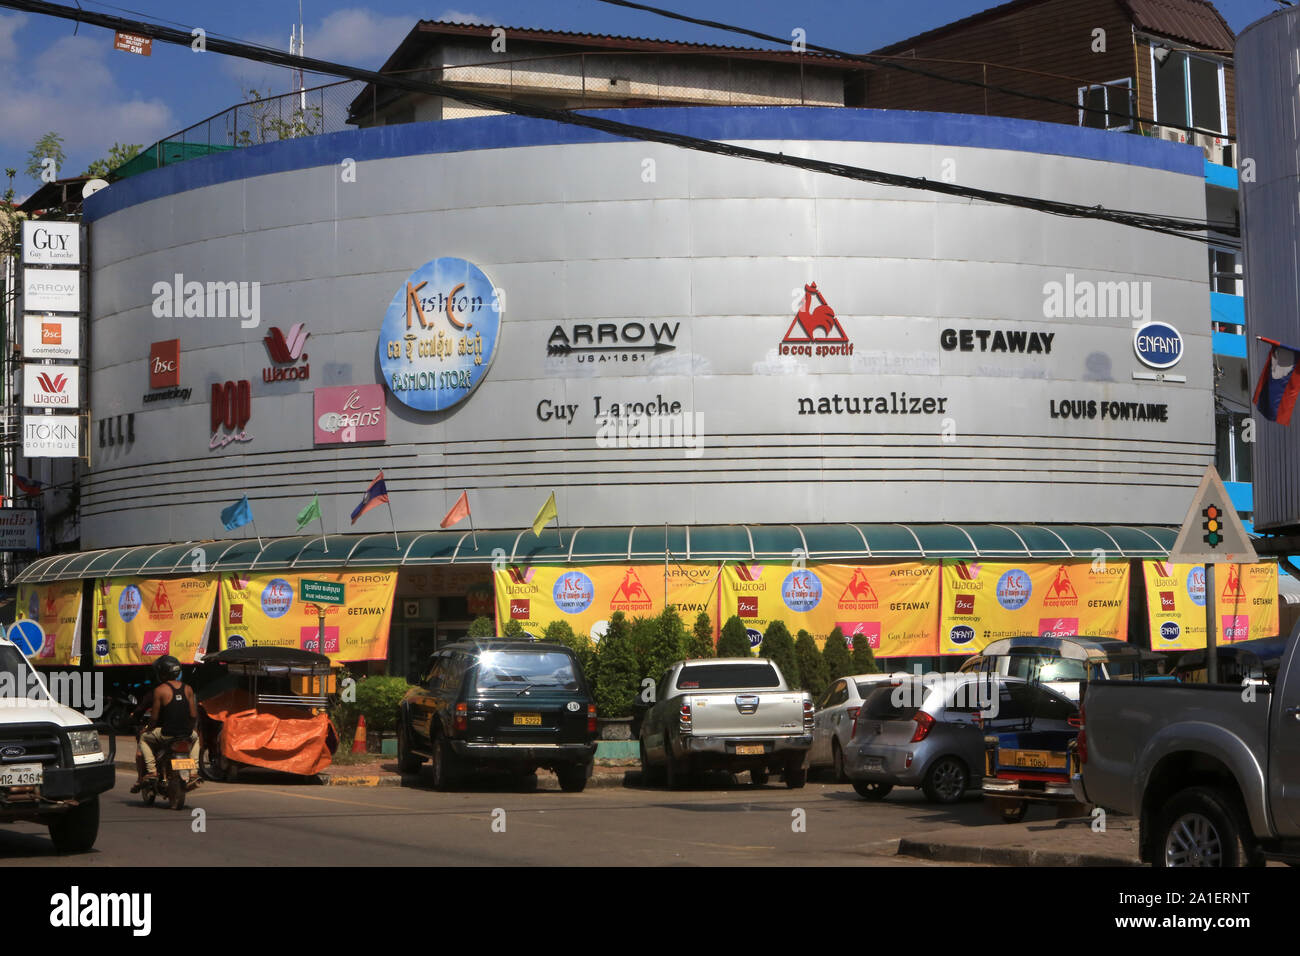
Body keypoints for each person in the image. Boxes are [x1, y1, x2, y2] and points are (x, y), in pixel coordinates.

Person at [137, 656, 200, 788]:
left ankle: (152, 771)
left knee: (143, 738)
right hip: (185, 734)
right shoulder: (188, 688)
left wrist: (147, 729)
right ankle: (194, 772)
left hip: (166, 734)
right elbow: (193, 715)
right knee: (196, 738)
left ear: (162, 673)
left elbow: (153, 719)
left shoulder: (160, 690)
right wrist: (189, 729)